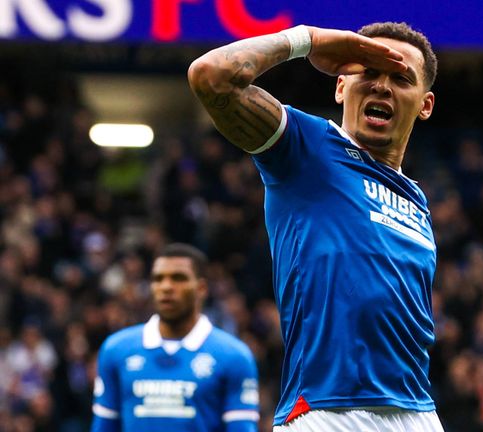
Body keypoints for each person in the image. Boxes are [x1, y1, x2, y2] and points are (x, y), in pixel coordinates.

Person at [188, 22, 443, 431]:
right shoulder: (308, 147)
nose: (381, 86)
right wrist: (310, 39)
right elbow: (212, 77)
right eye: (368, 72)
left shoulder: (417, 198)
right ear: (341, 87)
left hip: (417, 412)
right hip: (327, 410)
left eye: (400, 78)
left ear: (424, 105)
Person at [90, 243, 260, 431]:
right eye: (158, 279)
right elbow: (103, 427)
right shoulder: (116, 350)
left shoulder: (233, 356)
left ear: (202, 288)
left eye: (178, 278)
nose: (166, 287)